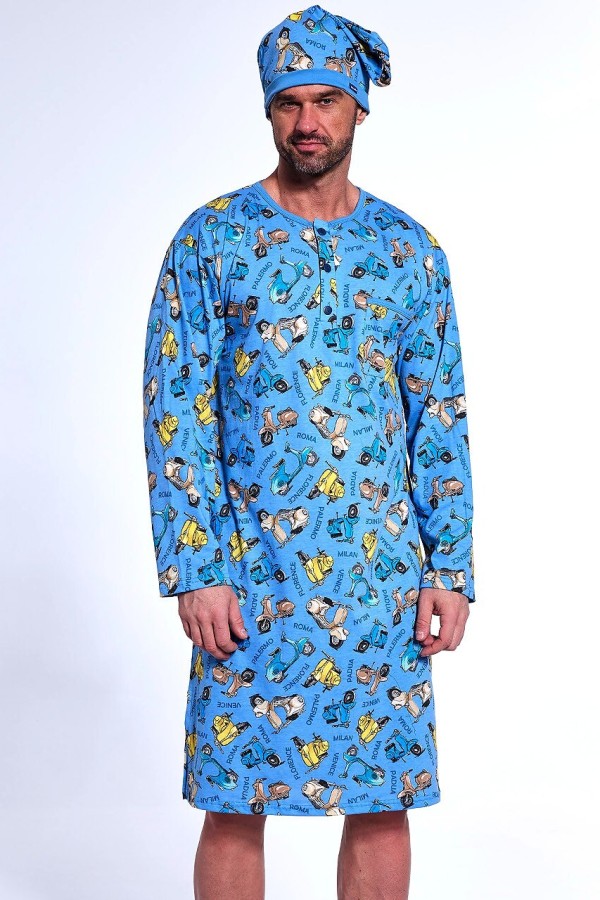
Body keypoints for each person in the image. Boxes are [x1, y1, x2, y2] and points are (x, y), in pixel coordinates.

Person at [142, 5, 476, 898]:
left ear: (359, 107)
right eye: (290, 103)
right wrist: (195, 569)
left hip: (381, 582)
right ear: (268, 110)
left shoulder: (409, 251)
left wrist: (450, 568)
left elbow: (438, 418)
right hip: (249, 577)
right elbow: (176, 413)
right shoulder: (211, 239)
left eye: (327, 100)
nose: (308, 122)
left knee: (381, 801)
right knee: (233, 800)